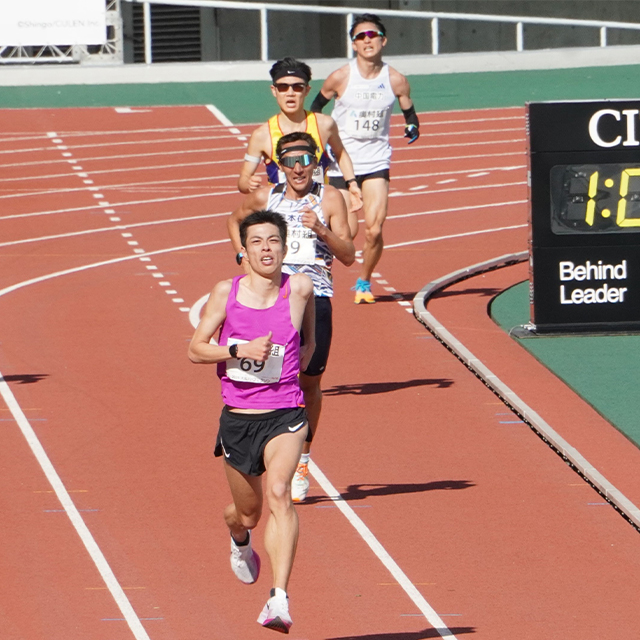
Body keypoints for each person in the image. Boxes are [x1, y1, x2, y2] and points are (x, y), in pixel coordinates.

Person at [188, 209, 315, 634]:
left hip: (285, 413)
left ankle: (278, 598)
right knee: (247, 514)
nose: (266, 248)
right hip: (239, 419)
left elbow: (309, 342)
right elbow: (195, 348)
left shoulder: (299, 288)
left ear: (284, 246)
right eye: (257, 241)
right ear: (243, 250)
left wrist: (291, 372)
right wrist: (238, 350)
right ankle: (239, 541)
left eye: (273, 241)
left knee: (280, 493)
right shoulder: (226, 292)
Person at [228, 132, 355, 503]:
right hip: (273, 298)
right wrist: (243, 254)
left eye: (305, 160)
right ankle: (268, 448)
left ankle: (302, 457)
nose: (298, 168)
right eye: (290, 160)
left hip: (316, 299)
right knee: (271, 376)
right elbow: (234, 220)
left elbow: (347, 254)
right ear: (280, 164)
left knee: (309, 382)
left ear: (317, 162)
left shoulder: (330, 198)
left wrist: (320, 228)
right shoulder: (267, 197)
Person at [310, 12, 420, 304]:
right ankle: (320, 271)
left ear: (383, 41)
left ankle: (364, 282)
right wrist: (320, 140)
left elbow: (409, 108)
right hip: (341, 160)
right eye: (361, 37)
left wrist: (412, 125)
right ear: (354, 45)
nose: (367, 40)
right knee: (347, 232)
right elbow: (316, 108)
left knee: (374, 228)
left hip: (376, 162)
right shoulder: (340, 77)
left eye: (372, 35)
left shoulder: (395, 80)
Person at [237, 56, 362, 238]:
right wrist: (248, 184)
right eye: (283, 87)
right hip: (283, 211)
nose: (290, 93)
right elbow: (242, 181)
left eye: (297, 87)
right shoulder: (262, 135)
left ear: (307, 90)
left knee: (348, 233)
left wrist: (352, 185)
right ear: (274, 90)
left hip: (319, 206)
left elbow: (340, 153)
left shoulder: (324, 125)